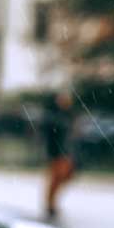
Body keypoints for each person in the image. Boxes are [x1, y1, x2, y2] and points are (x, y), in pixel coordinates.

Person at [42, 89, 78, 219]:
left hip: (66, 152)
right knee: (56, 178)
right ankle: (50, 204)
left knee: (65, 176)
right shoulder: (54, 116)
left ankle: (51, 203)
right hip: (57, 152)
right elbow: (51, 135)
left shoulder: (68, 115)